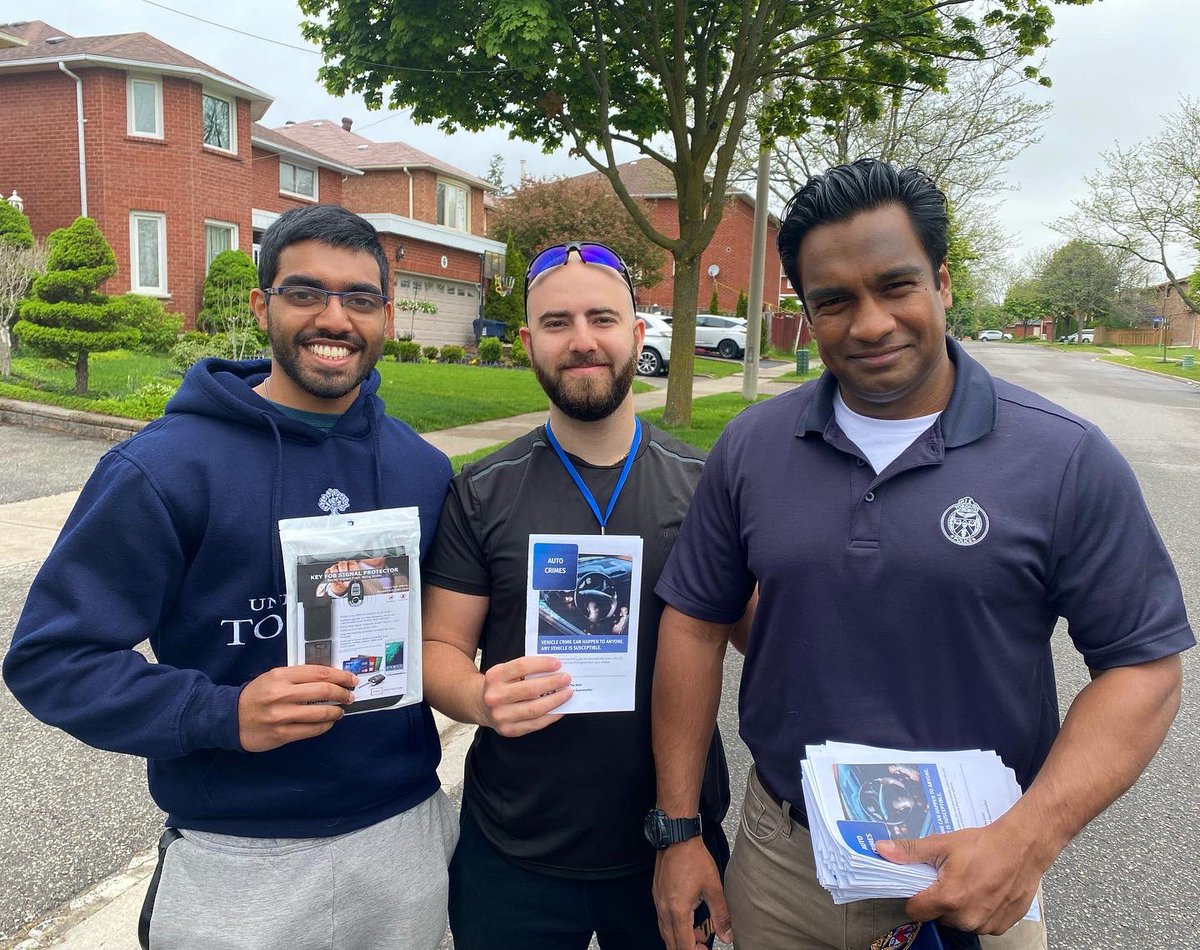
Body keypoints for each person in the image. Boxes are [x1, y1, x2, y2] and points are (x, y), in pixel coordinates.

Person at [649, 159, 1193, 950]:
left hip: (977, 871)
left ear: (941, 281)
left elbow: (1145, 667)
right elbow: (695, 624)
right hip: (785, 865)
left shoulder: (1063, 457)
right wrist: (679, 831)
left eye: (896, 286)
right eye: (834, 300)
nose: (869, 323)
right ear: (805, 310)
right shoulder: (751, 448)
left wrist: (1029, 841)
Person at [3, 205, 457, 949]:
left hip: (402, 836)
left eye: (360, 298)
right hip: (237, 857)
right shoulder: (162, 469)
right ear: (262, 304)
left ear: (387, 317)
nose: (334, 318)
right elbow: (52, 660)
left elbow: (448, 636)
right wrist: (222, 714)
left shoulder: (422, 470)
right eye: (306, 292)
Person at [421, 242, 732, 949]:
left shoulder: (707, 485)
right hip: (516, 845)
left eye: (602, 318)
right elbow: (439, 646)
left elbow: (758, 634)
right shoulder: (482, 490)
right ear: (530, 343)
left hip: (671, 835)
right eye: (558, 323)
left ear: (637, 333)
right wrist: (478, 699)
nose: (583, 341)